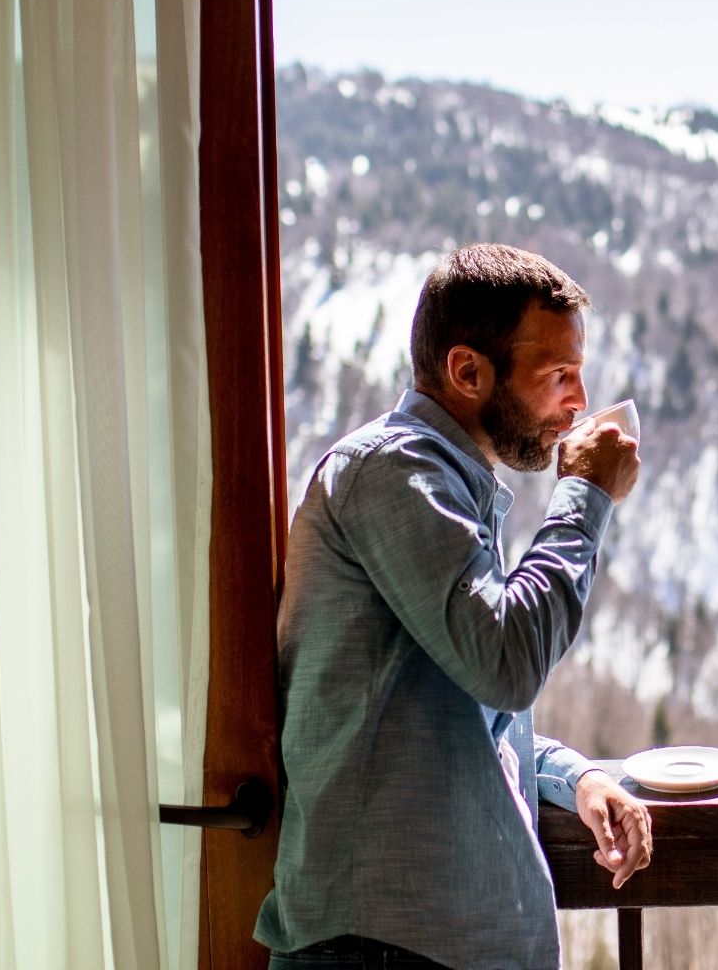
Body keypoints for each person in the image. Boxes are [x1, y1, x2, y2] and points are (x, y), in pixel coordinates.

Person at [256, 243, 653, 970]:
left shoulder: (451, 490)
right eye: (558, 374)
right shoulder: (393, 470)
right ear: (468, 371)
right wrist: (586, 497)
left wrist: (574, 777)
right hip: (377, 952)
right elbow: (504, 662)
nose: (578, 401)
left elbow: (456, 716)